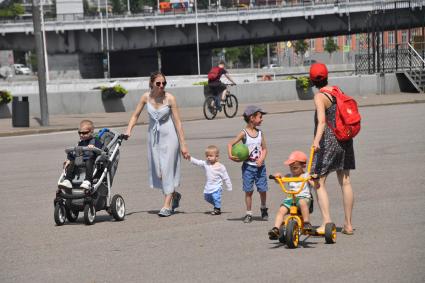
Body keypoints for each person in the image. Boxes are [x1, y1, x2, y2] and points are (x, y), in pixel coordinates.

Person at [124, 71, 190, 217]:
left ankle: (166, 205)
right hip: (153, 138)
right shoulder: (145, 97)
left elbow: (178, 123)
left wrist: (183, 145)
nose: (161, 86)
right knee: (159, 172)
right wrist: (129, 130)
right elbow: (135, 115)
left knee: (167, 169)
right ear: (151, 84)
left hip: (170, 137)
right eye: (158, 83)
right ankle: (174, 195)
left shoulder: (170, 98)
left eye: (164, 83)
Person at [310, 63, 355, 235]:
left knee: (318, 181)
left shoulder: (320, 96)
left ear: (312, 80)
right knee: (345, 181)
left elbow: (322, 121)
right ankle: (348, 225)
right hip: (345, 139)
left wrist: (316, 141)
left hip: (329, 141)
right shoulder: (338, 90)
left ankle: (326, 222)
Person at [228, 105, 269, 223]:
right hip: (248, 168)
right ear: (252, 118)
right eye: (260, 117)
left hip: (260, 167)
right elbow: (230, 144)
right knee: (248, 191)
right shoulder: (244, 133)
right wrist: (230, 155)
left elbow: (265, 149)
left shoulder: (260, 133)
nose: (262, 119)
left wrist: (261, 159)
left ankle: (263, 208)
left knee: (262, 189)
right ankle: (249, 213)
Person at [268, 151, 316, 240]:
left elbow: (315, 186)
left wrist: (313, 178)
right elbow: (280, 181)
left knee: (301, 202)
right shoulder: (289, 176)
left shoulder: (306, 175)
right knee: (281, 210)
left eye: (295, 168)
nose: (292, 170)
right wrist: (277, 177)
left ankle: (306, 223)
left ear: (303, 166)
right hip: (290, 199)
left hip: (304, 199)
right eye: (291, 168)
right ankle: (276, 229)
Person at [58, 119, 103, 190]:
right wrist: (69, 159)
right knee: (72, 162)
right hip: (80, 160)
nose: (81, 135)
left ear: (91, 132)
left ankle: (87, 180)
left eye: (84, 133)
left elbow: (100, 151)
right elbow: (74, 153)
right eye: (79, 133)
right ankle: (68, 180)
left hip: (91, 161)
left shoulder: (95, 141)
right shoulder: (80, 142)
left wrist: (94, 147)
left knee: (89, 161)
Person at [188, 145, 232, 215]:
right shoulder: (206, 163)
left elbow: (226, 177)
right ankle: (217, 205)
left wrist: (229, 186)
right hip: (209, 186)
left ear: (216, 156)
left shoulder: (221, 167)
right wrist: (189, 158)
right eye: (207, 156)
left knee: (216, 196)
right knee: (206, 197)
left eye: (211, 156)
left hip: (217, 186)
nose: (208, 157)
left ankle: (217, 209)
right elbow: (198, 162)